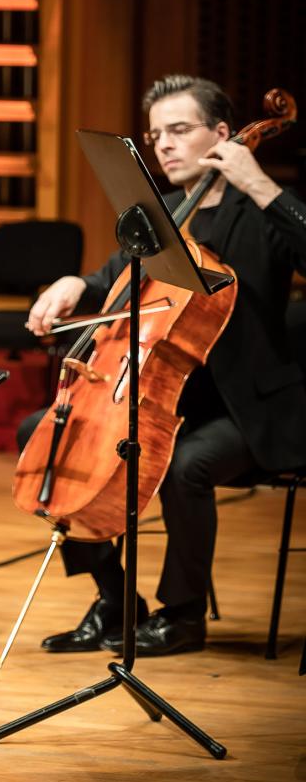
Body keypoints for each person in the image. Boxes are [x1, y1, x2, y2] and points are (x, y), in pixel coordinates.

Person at [21, 75, 306, 656]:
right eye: (156, 135)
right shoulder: (166, 213)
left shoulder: (264, 211)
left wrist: (261, 185)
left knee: (186, 466)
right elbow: (115, 280)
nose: (164, 146)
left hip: (249, 408)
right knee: (50, 433)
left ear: (223, 134)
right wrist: (76, 281)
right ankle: (115, 601)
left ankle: (183, 615)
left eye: (180, 130)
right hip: (170, 395)